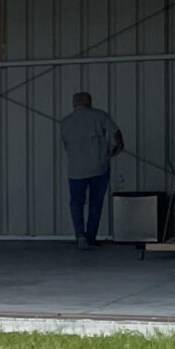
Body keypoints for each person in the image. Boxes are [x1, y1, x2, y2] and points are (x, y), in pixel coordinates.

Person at [59, 91, 124, 248]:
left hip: (75, 170)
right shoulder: (100, 115)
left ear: (74, 104)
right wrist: (117, 148)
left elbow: (66, 144)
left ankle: (80, 237)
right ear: (89, 102)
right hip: (99, 167)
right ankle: (91, 236)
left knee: (76, 203)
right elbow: (116, 133)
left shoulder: (66, 122)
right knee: (96, 203)